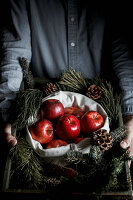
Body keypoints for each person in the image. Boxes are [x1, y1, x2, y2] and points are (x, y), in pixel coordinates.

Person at [0, 0, 133, 157]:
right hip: (41, 101)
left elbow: (126, 53)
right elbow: (15, 52)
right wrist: (8, 111)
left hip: (101, 99)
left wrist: (130, 113)